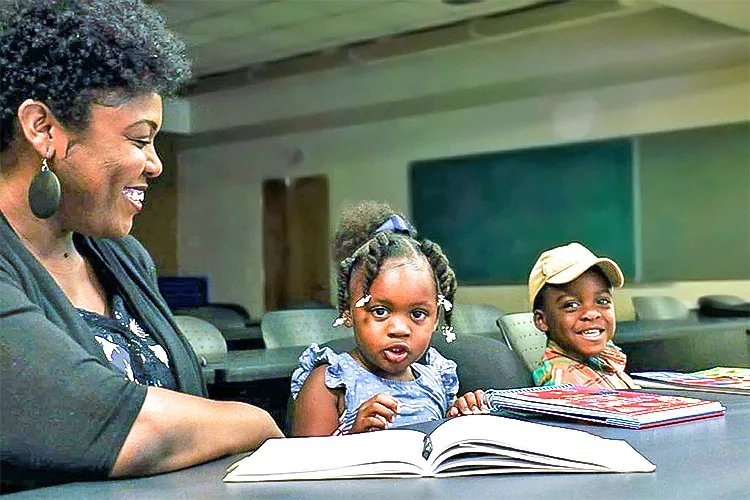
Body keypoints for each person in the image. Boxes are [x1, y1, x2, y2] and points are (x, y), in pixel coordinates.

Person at [0, 0, 282, 492]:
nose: (155, 164)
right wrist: (256, 422)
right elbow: (114, 426)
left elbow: (183, 407)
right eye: (138, 140)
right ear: (42, 129)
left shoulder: (123, 257)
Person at [290, 201, 485, 436]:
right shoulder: (331, 382)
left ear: (435, 319)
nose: (400, 329)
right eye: (380, 311)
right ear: (348, 312)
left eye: (418, 314)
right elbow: (303, 465)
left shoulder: (437, 379)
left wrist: (462, 416)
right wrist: (353, 436)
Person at [528, 242, 640, 389]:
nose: (592, 313)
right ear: (541, 320)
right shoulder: (565, 383)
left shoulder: (603, 359)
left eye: (602, 301)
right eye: (571, 305)